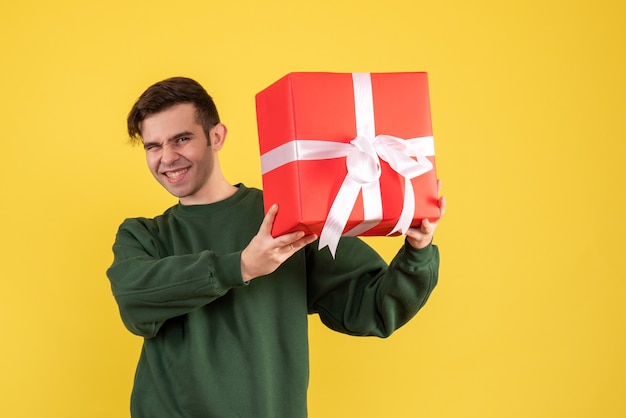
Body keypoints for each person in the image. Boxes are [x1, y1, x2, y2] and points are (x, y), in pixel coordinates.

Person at [106, 76, 445, 418]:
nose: (167, 157)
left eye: (181, 139)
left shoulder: (287, 215)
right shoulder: (143, 235)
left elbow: (374, 307)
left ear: (216, 136)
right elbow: (134, 300)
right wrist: (241, 266)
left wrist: (417, 253)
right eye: (153, 146)